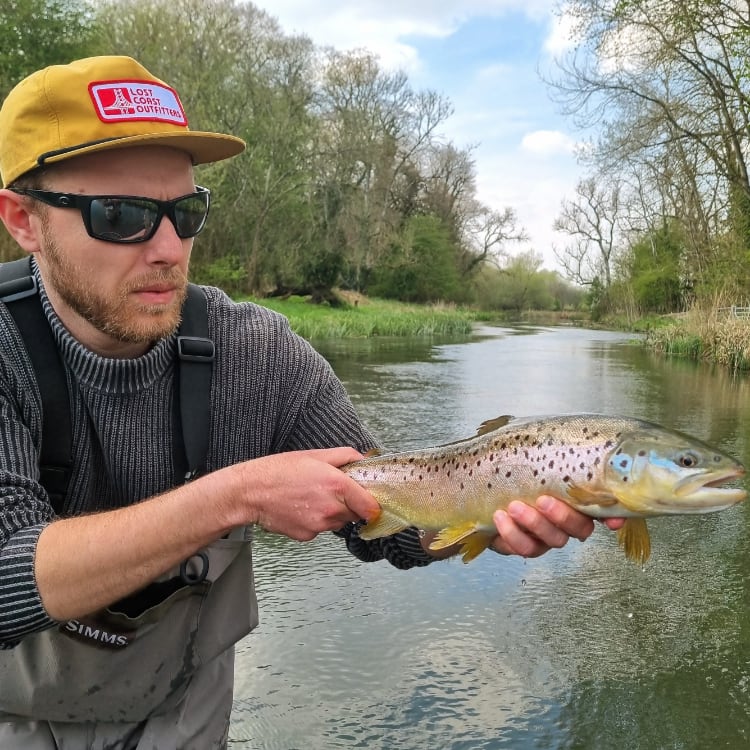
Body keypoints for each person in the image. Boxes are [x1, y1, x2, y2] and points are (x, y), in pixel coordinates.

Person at [0, 56, 623, 749]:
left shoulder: (258, 353)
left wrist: (480, 518)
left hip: (186, 710)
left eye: (186, 212)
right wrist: (233, 497)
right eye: (123, 216)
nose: (171, 249)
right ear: (23, 219)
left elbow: (378, 522)